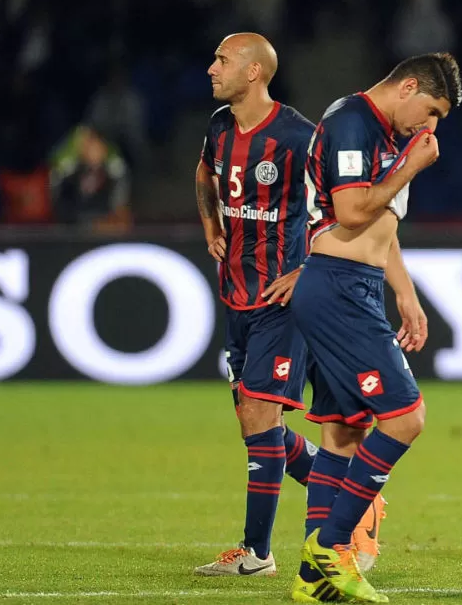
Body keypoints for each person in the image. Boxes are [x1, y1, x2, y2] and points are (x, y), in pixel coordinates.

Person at [289, 53, 462, 603]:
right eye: (430, 110)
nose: (429, 126)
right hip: (336, 286)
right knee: (406, 418)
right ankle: (334, 545)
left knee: (343, 432)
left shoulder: (383, 133)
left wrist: (405, 293)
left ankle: (313, 581)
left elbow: (381, 226)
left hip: (356, 284)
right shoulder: (351, 122)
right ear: (407, 86)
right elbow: (350, 213)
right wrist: (411, 166)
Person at [192, 32, 319, 577]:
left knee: (261, 415)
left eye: (222, 59)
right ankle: (347, 486)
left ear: (253, 73)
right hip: (236, 295)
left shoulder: (298, 136)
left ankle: (256, 553)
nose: (211, 68)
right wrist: (210, 222)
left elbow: (341, 209)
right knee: (253, 420)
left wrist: (306, 269)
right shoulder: (220, 128)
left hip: (282, 303)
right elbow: (204, 173)